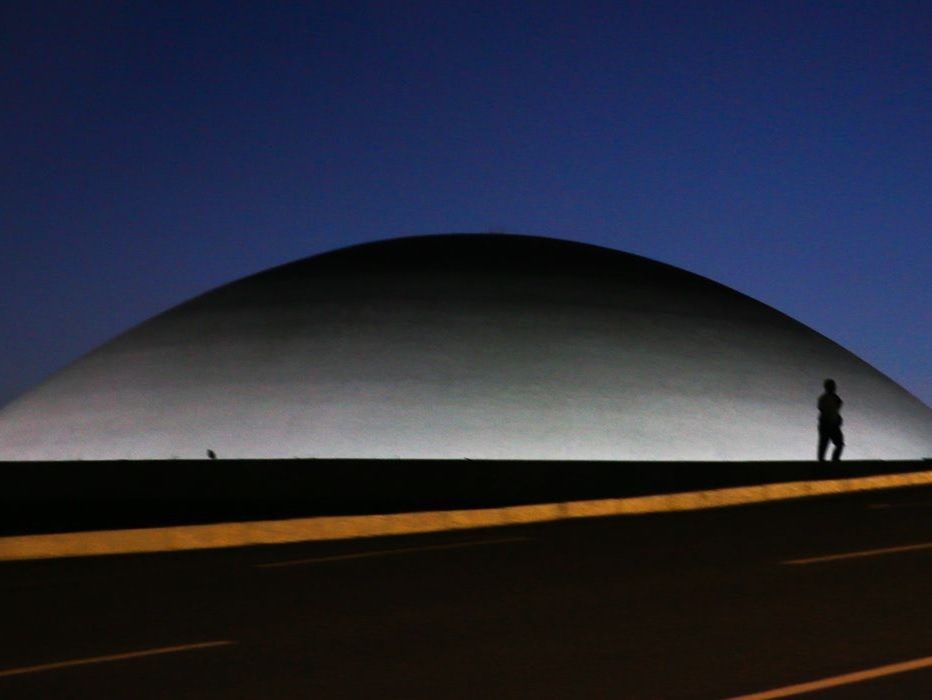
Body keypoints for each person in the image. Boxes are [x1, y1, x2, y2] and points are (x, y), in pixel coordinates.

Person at [817, 379, 844, 461]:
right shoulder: (827, 398)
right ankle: (831, 461)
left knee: (825, 444)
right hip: (829, 425)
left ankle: (828, 461)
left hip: (830, 425)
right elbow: (827, 411)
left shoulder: (828, 398)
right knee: (826, 444)